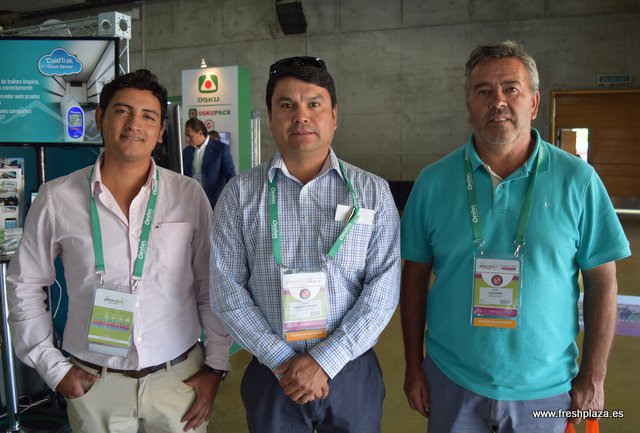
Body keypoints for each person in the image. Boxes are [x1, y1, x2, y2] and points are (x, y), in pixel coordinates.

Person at [400, 40, 631, 433]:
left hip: (546, 389)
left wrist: (594, 375)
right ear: (469, 106)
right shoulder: (433, 183)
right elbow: (414, 277)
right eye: (483, 91)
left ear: (534, 103)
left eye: (511, 89)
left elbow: (602, 281)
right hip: (453, 382)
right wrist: (412, 364)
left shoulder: (579, 181)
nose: (498, 102)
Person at [7, 69, 231, 433]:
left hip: (179, 380)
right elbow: (25, 285)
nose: (134, 124)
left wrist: (216, 368)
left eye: (148, 116)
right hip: (95, 386)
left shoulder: (188, 195)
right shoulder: (56, 198)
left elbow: (210, 285)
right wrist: (53, 368)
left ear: (161, 131)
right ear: (100, 118)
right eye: (122, 111)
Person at [209, 56, 400, 433]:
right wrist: (282, 360)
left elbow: (383, 288)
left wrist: (326, 360)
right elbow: (225, 288)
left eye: (314, 104)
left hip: (350, 367)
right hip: (271, 371)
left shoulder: (372, 192)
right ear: (270, 117)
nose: (301, 116)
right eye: (287, 105)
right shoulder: (239, 194)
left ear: (334, 115)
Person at [183, 118, 235, 209]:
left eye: (190, 136)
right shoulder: (186, 152)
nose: (187, 139)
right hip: (193, 203)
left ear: (200, 133)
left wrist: (231, 201)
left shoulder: (221, 149)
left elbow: (231, 176)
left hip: (216, 203)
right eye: (186, 136)